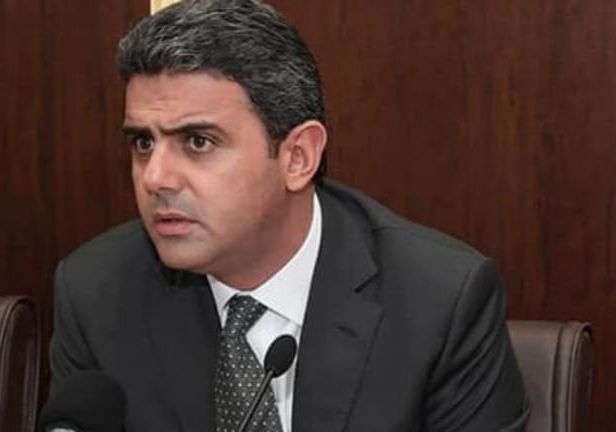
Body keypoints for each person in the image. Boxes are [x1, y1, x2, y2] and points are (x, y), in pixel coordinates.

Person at [48, 0, 529, 431]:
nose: (155, 178)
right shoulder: (96, 294)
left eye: (198, 141)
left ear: (298, 157)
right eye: (143, 142)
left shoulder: (439, 301)